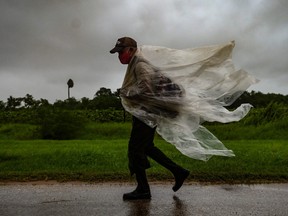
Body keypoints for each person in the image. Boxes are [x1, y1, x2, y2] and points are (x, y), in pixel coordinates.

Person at [110, 37, 190, 200]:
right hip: (147, 112)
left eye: (121, 52)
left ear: (131, 50)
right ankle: (178, 172)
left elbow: (145, 88)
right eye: (117, 53)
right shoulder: (137, 63)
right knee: (146, 147)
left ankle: (143, 189)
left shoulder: (140, 64)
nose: (119, 56)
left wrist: (126, 93)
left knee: (135, 148)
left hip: (147, 113)